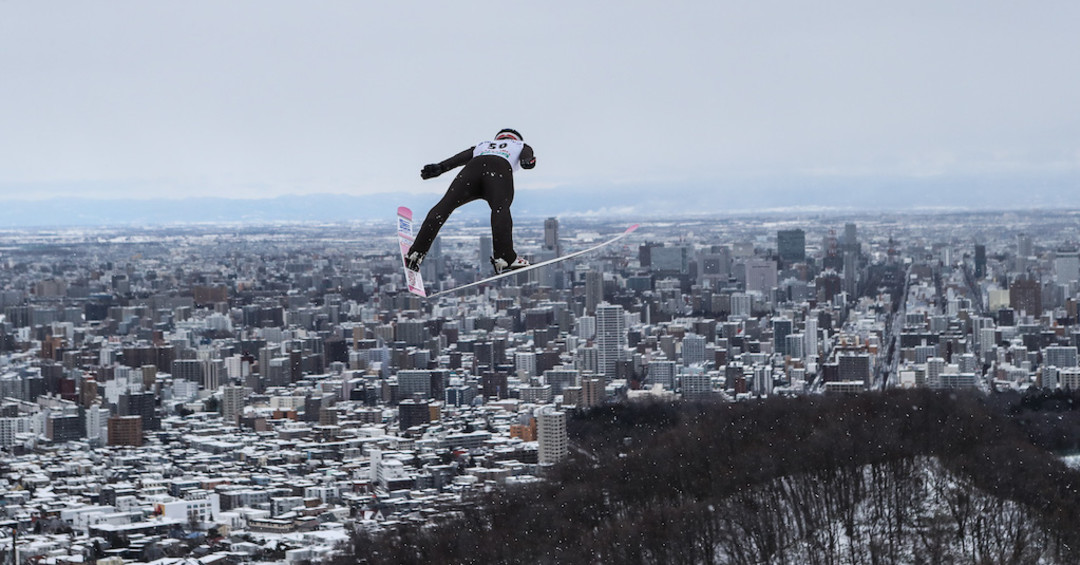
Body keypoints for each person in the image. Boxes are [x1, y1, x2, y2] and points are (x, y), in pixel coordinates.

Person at [404, 128, 536, 274]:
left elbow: (459, 158)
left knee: (444, 206)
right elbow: (527, 159)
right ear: (516, 139)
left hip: (473, 169)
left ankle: (416, 253)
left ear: (497, 138)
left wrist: (440, 167)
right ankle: (504, 257)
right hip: (499, 169)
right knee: (500, 209)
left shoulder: (483, 145)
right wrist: (527, 161)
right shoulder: (520, 145)